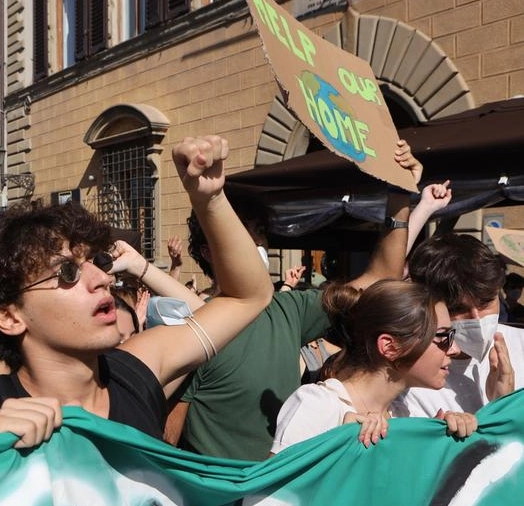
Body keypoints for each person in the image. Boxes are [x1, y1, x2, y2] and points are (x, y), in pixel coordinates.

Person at [0, 135, 273, 447]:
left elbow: (247, 297)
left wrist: (209, 199)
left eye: (96, 261)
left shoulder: (138, 370)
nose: (102, 278)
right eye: (67, 272)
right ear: (9, 316)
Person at [168, 141, 439, 461]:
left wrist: (399, 193)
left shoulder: (289, 311)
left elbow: (381, 278)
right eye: (240, 232)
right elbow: (168, 440)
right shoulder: (190, 331)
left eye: (258, 232)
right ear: (206, 251)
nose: (254, 242)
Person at [271, 280, 477, 454]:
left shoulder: (404, 413)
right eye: (443, 337)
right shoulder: (318, 406)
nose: (455, 349)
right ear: (390, 346)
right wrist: (337, 448)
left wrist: (436, 442)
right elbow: (266, 498)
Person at [394, 233, 521, 417]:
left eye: (486, 303)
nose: (476, 318)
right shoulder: (409, 378)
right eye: (458, 308)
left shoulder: (521, 344)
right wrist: (499, 412)